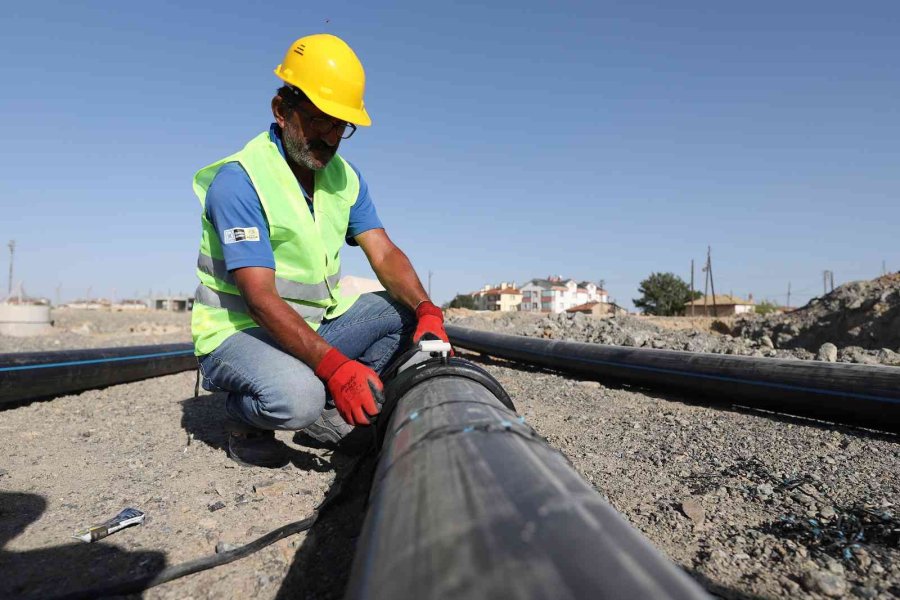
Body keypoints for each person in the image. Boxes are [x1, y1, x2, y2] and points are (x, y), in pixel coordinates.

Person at [191, 34, 450, 468]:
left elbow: (383, 252)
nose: (330, 137)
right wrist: (335, 368)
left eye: (340, 126)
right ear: (281, 110)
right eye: (318, 121)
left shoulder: (344, 178)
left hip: (307, 326)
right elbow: (260, 299)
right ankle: (243, 416)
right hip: (238, 333)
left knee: (403, 312)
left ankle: (325, 413)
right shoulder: (240, 182)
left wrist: (426, 309)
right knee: (298, 398)